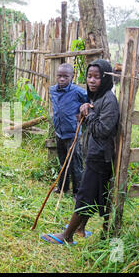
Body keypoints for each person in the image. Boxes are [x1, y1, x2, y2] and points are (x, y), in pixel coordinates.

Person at [41, 59, 119, 245]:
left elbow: (102, 130)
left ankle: (66, 236)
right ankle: (81, 229)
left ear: (106, 78)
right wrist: (85, 113)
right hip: (94, 153)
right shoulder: (98, 98)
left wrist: (88, 114)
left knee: (84, 195)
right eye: (89, 77)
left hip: (100, 157)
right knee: (92, 193)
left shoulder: (109, 100)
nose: (92, 81)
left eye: (97, 77)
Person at [49, 63, 88, 196]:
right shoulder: (52, 90)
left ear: (72, 77)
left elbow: (90, 101)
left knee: (75, 164)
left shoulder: (77, 92)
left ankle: (78, 192)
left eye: (65, 77)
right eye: (59, 76)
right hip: (59, 132)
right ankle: (62, 187)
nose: (62, 79)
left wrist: (83, 109)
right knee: (62, 162)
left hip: (73, 134)